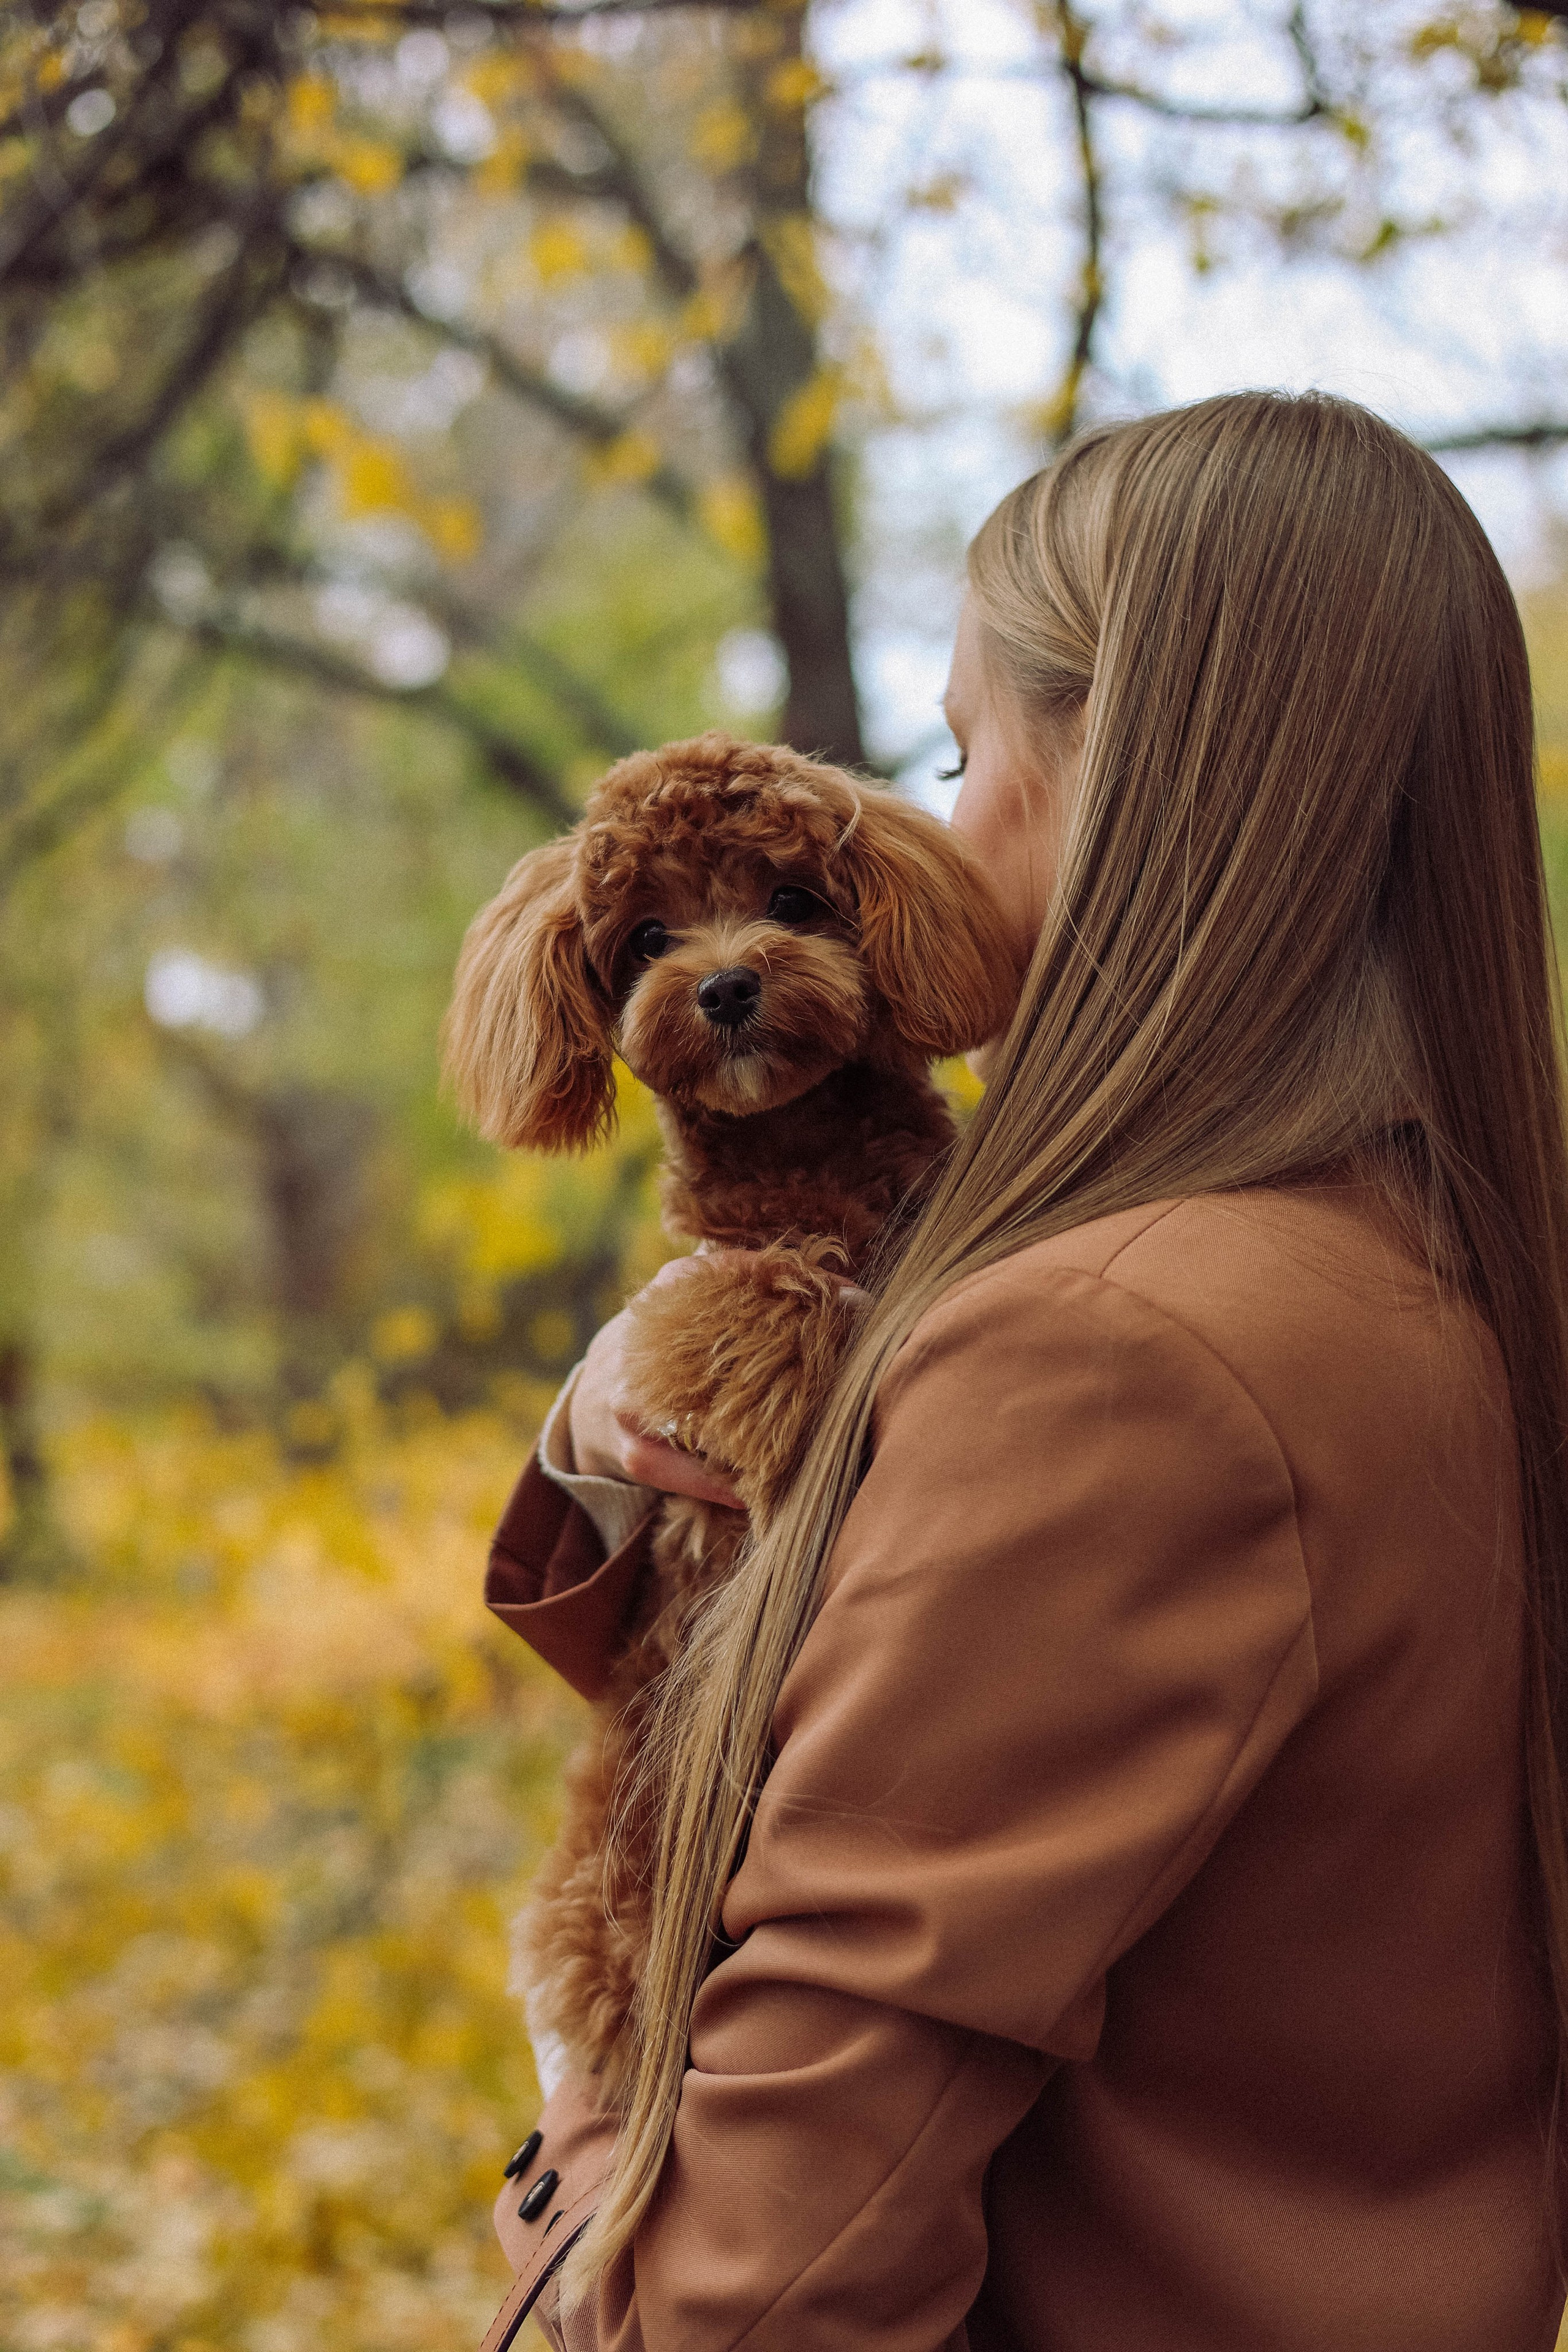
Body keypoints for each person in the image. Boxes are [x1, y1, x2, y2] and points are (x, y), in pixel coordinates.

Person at [478, 390, 1568, 2352]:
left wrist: (570, 2121)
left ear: (1126, 773)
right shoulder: (1436, 1282)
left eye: (968, 750)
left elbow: (745, 2306)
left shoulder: (1112, 1355)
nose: (951, 820)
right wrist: (599, 1432)